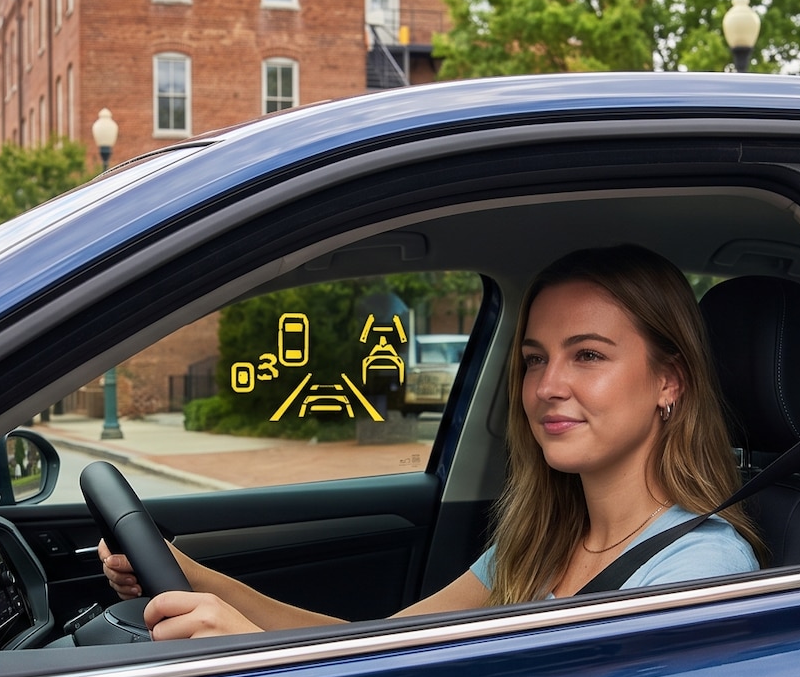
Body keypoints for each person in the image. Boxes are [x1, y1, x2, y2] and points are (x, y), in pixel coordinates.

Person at [102, 244, 766, 640]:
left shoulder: (698, 570)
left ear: (669, 381)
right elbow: (381, 649)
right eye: (535, 359)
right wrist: (195, 577)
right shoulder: (542, 538)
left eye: (587, 355)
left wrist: (255, 661)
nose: (547, 386)